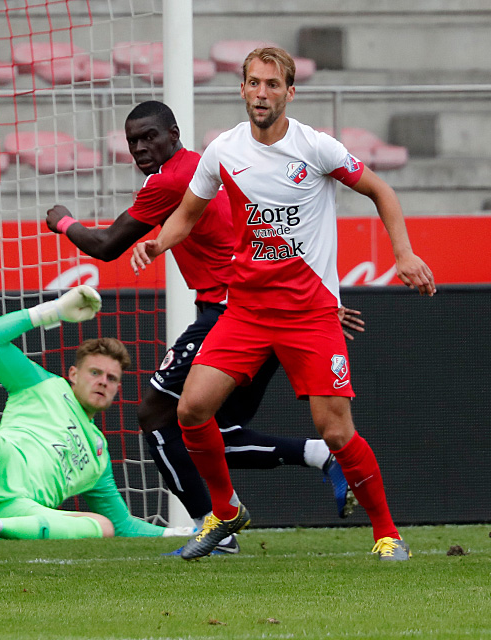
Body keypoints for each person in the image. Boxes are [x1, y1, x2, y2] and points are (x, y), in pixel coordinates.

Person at [130, 47, 435, 561]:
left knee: (335, 430)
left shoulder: (315, 147)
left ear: (290, 92)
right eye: (254, 83)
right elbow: (187, 212)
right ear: (242, 89)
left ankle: (387, 533)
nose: (262, 93)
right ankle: (225, 513)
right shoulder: (223, 150)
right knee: (192, 409)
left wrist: (403, 254)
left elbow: (380, 189)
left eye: (273, 84)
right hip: (245, 311)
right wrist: (159, 242)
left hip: (311, 314)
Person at [46, 101, 357, 553]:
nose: (141, 147)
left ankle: (213, 524)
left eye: (150, 136)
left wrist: (62, 220)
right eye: (133, 141)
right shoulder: (199, 169)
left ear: (174, 133)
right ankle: (318, 455)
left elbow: (107, 245)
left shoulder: (172, 179)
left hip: (231, 313)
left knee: (156, 413)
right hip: (266, 307)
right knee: (211, 432)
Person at [0, 285, 187, 541]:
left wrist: (176, 533)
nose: (102, 382)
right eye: (95, 373)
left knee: (105, 526)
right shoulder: (44, 383)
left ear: (118, 388)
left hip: (24, 510)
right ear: (74, 374)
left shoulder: (99, 458)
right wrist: (54, 311)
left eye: (111, 378)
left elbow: (123, 526)